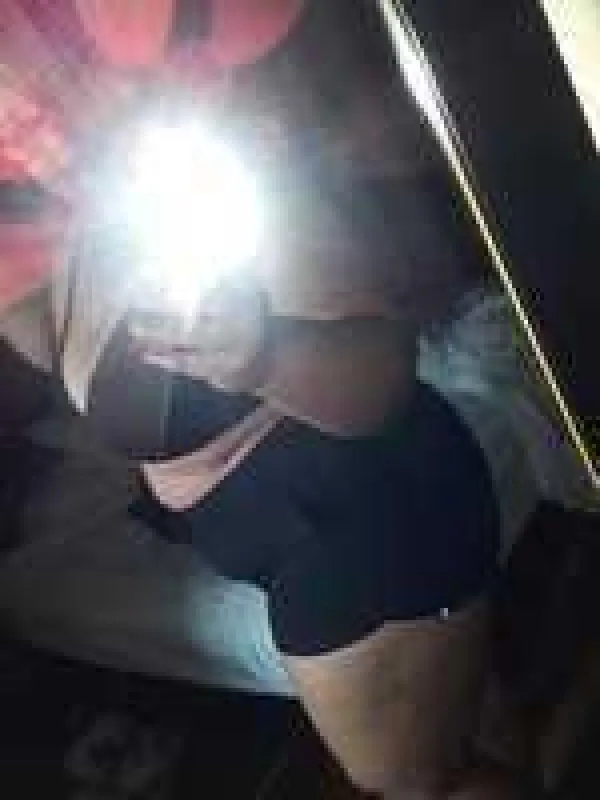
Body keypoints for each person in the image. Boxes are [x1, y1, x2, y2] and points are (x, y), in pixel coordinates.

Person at [1, 2, 565, 797]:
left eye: (23, 67)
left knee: (418, 783)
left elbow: (379, 381)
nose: (21, 107)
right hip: (296, 535)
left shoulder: (214, 167)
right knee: (476, 726)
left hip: (360, 522)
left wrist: (263, 355)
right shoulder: (60, 234)